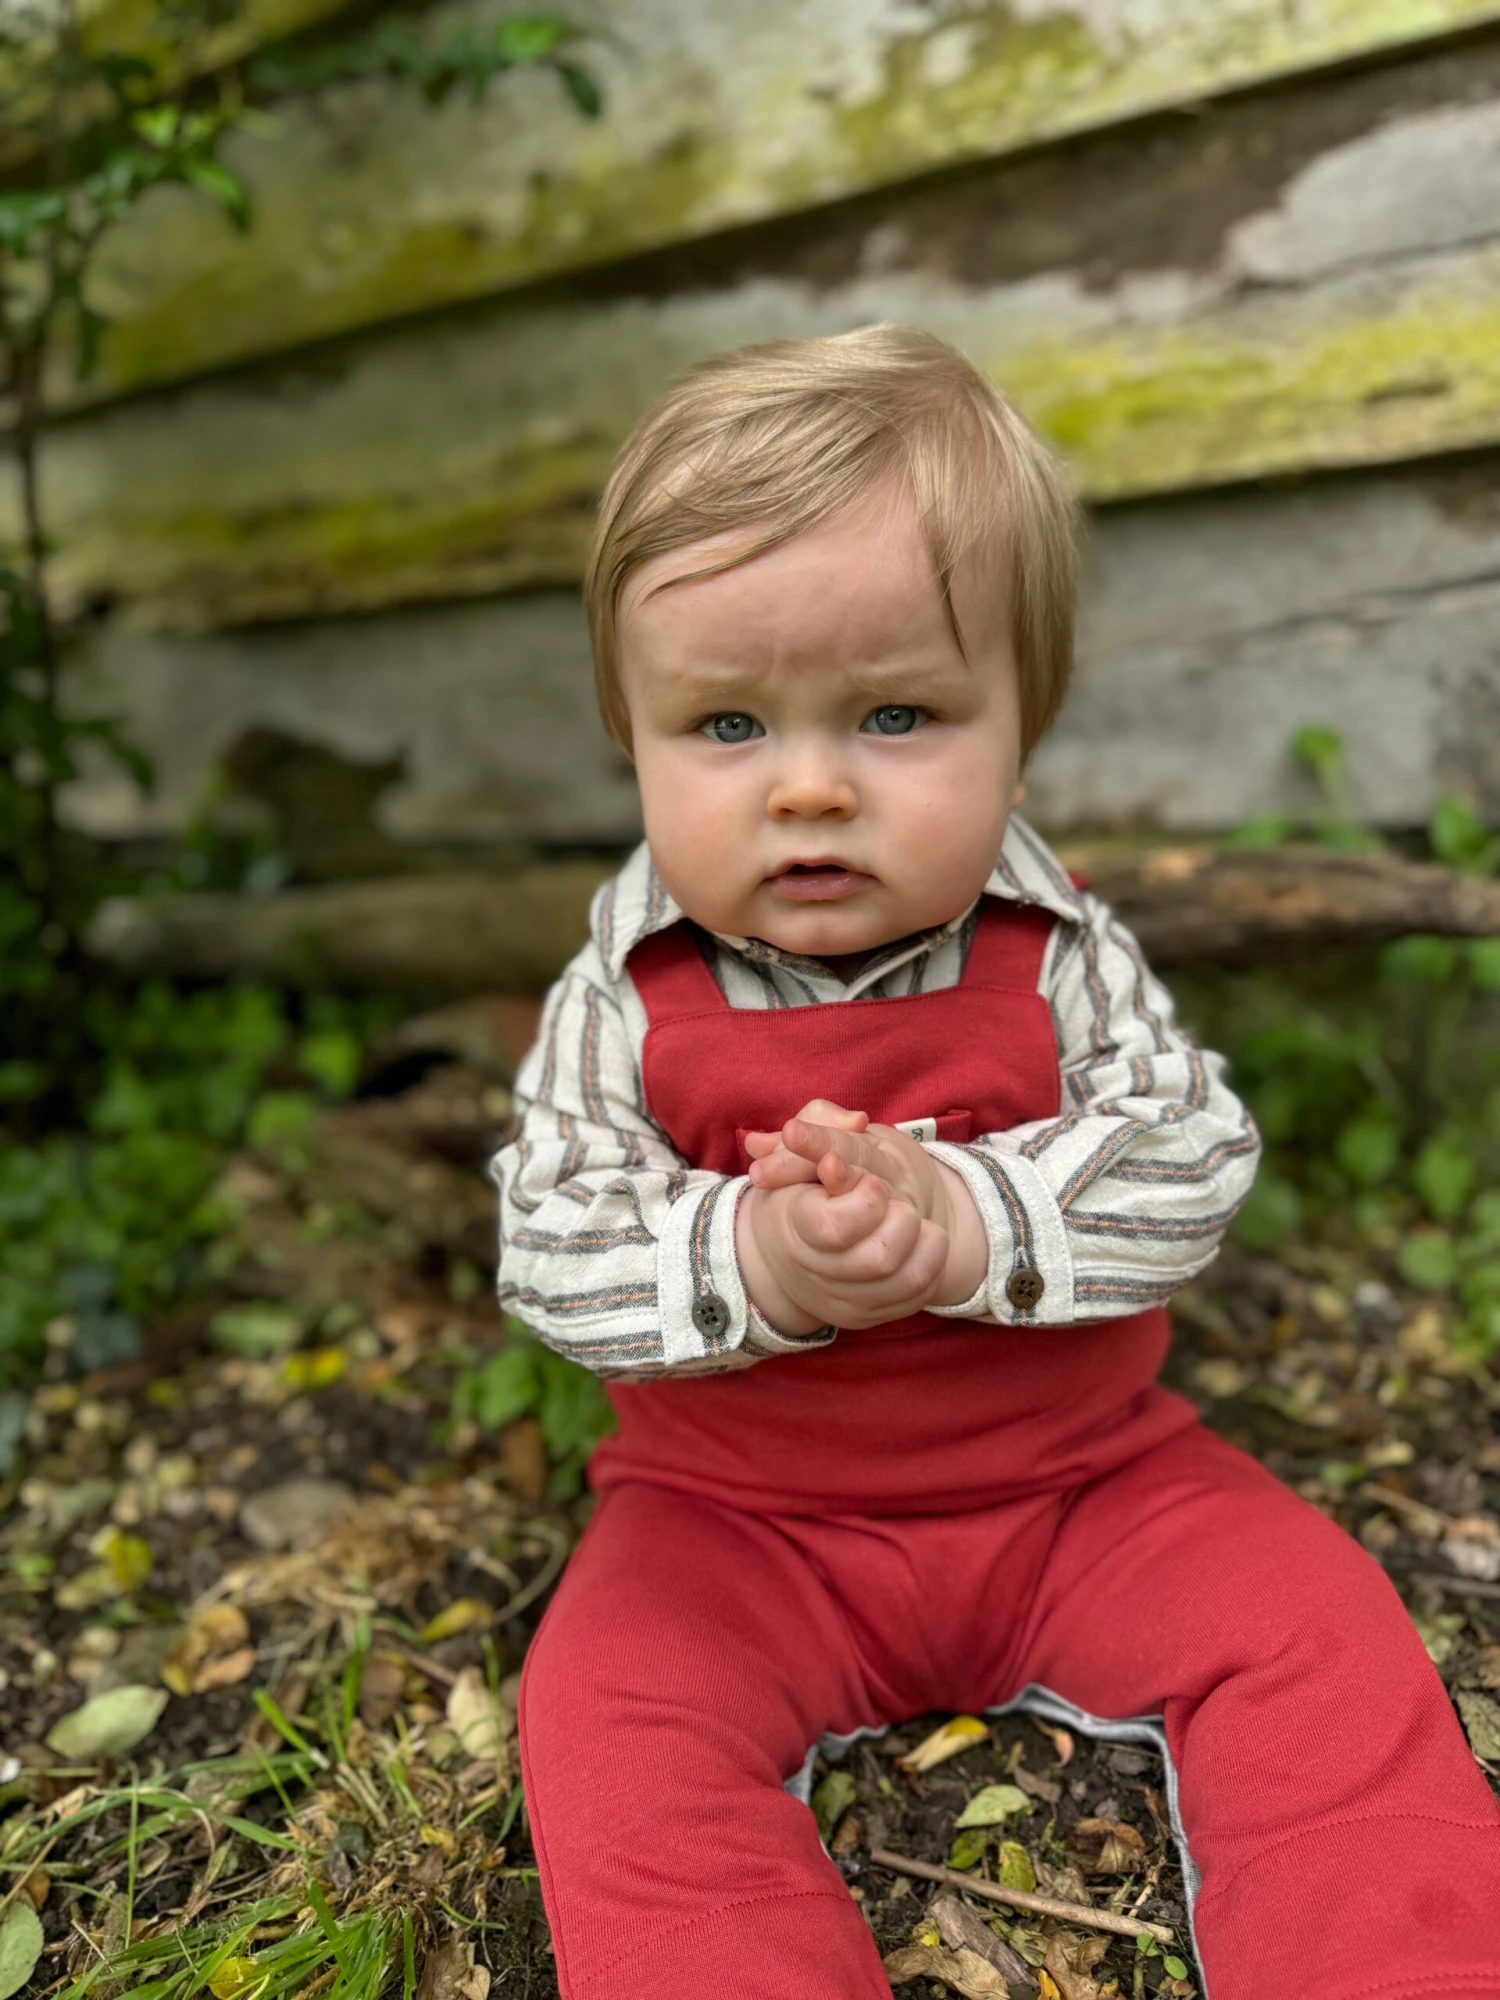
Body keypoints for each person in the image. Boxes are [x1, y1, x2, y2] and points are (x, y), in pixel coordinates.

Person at [492, 326, 1500, 2000]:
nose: (811, 788)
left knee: (1317, 1631)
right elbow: (549, 1239)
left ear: (1023, 721)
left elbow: (1189, 1151)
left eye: (897, 713)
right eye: (727, 725)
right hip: (741, 1525)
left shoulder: (1059, 951)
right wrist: (754, 1260)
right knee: (609, 1723)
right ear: (631, 730)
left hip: (1086, 1487)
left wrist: (976, 1216)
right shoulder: (624, 996)